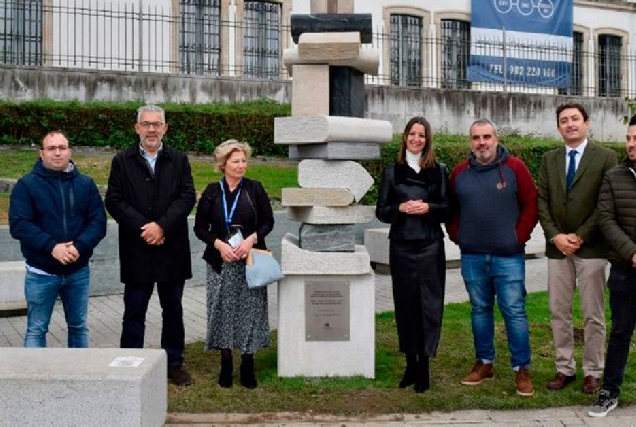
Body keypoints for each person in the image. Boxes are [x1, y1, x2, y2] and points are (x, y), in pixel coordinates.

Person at [104, 105, 196, 386]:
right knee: (134, 309)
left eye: (157, 124)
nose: (152, 129)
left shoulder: (179, 160)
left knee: (173, 309)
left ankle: (174, 363)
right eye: (146, 124)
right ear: (137, 128)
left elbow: (187, 196)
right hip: (137, 247)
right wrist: (145, 227)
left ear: (165, 129)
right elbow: (114, 200)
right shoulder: (122, 160)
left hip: (171, 248)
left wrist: (162, 226)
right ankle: (131, 362)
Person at [446, 118, 538, 397]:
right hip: (473, 255)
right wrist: (458, 235)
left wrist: (517, 237)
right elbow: (450, 208)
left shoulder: (515, 168)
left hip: (508, 256)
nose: (482, 142)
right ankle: (485, 363)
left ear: (496, 138)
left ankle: (521, 368)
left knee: (514, 311)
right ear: (470, 141)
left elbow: (531, 203)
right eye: (476, 138)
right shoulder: (460, 173)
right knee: (479, 310)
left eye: (486, 136)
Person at [538, 103, 617, 394]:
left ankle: (593, 371)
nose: (570, 124)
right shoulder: (549, 159)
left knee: (592, 314)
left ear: (586, 123)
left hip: (592, 248)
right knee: (559, 311)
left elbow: (605, 204)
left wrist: (580, 236)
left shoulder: (606, 157)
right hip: (558, 249)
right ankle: (564, 368)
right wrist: (556, 237)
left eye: (575, 119)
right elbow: (542, 202)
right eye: (563, 120)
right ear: (559, 127)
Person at [9, 131, 107, 348]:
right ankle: (33, 380)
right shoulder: (26, 186)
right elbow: (20, 225)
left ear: (69, 152)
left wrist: (79, 247)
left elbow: (98, 222)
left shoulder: (86, 184)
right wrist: (52, 247)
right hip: (41, 272)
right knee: (36, 329)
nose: (57, 153)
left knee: (79, 327)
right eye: (51, 148)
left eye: (62, 148)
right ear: (41, 153)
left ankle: (80, 378)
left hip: (78, 272)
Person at [375, 116, 450, 393]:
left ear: (427, 140)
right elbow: (381, 211)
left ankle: (424, 366)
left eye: (422, 135)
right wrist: (401, 209)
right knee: (406, 304)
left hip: (430, 245)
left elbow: (447, 208)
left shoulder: (438, 170)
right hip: (402, 245)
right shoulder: (392, 171)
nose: (416, 139)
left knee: (429, 304)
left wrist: (428, 208)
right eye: (412, 134)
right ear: (405, 137)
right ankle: (409, 363)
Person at [194, 139, 274, 389]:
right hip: (221, 261)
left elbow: (268, 222)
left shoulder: (255, 189)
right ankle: (226, 361)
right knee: (222, 313)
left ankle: (248, 362)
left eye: (243, 161)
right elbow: (199, 228)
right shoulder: (211, 191)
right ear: (223, 164)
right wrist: (219, 244)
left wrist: (251, 240)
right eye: (235, 161)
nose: (241, 166)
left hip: (250, 260)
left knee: (251, 313)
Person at [587, 116, 636, 417]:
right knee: (620, 332)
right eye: (629, 138)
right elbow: (606, 218)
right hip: (624, 269)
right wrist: (631, 252)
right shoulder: (614, 176)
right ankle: (609, 392)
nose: (631, 144)